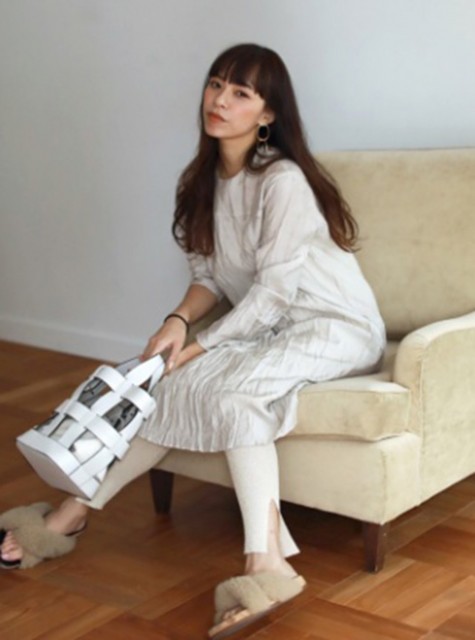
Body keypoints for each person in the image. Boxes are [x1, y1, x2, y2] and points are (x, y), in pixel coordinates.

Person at [0, 43, 385, 638]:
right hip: (267, 327)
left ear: (267, 114)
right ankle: (72, 515)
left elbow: (273, 294)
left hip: (335, 327)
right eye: (215, 84)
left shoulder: (281, 181)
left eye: (240, 93)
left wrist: (203, 347)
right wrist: (178, 322)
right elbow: (210, 278)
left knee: (228, 394)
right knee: (165, 385)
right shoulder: (201, 181)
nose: (220, 100)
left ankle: (266, 561)